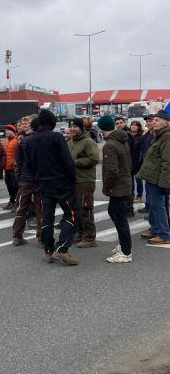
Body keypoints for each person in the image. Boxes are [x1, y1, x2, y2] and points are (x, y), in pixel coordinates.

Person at [26, 109, 79, 265]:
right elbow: (67, 161)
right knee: (73, 214)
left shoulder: (30, 141)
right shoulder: (56, 137)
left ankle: (48, 250)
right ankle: (62, 249)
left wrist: (37, 180)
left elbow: (29, 166)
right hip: (61, 183)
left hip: (42, 185)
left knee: (47, 217)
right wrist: (72, 179)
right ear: (51, 123)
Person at [97, 115, 133, 262]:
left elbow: (111, 170)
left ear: (101, 128)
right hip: (124, 181)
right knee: (113, 212)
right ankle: (124, 245)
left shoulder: (110, 145)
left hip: (117, 185)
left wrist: (109, 186)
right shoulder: (122, 139)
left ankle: (126, 252)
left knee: (120, 218)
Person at [137, 110, 170, 245]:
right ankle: (155, 229)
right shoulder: (158, 135)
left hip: (158, 179)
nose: (154, 122)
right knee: (154, 206)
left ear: (166, 122)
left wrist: (164, 183)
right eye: (153, 120)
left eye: (157, 120)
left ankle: (164, 234)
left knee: (159, 206)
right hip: (152, 177)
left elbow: (167, 163)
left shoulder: (166, 138)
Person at [67, 117, 99, 248]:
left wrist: (76, 162)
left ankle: (90, 237)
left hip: (85, 180)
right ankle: (80, 233)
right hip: (73, 180)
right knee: (76, 209)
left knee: (85, 208)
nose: (72, 129)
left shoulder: (88, 142)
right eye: (71, 126)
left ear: (81, 128)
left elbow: (94, 159)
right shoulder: (70, 142)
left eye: (75, 126)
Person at [12, 117, 42, 246]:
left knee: (21, 208)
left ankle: (17, 236)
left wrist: (18, 177)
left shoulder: (22, 141)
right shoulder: (40, 140)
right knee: (40, 209)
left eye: (27, 123)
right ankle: (41, 238)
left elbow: (17, 161)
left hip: (25, 179)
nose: (25, 125)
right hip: (38, 179)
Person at [115, 115, 135, 217]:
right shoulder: (119, 134)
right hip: (122, 164)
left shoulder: (127, 134)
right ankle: (125, 207)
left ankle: (129, 209)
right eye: (117, 123)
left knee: (128, 187)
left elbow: (129, 151)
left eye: (121, 123)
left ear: (125, 123)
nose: (119, 125)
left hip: (128, 164)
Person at [138, 115, 155, 214]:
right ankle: (148, 206)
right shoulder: (147, 135)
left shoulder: (155, 135)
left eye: (150, 121)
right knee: (148, 188)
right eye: (147, 121)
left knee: (152, 190)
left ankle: (151, 208)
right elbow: (143, 150)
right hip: (145, 164)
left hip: (152, 165)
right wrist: (141, 161)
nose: (148, 123)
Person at [3, 124, 19, 211]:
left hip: (13, 168)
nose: (6, 131)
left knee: (15, 186)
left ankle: (16, 203)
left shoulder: (15, 141)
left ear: (13, 132)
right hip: (7, 168)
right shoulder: (8, 141)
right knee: (9, 186)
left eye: (9, 130)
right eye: (6, 130)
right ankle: (12, 201)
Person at [130, 120, 144, 204]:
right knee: (130, 181)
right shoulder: (128, 136)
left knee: (138, 180)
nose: (133, 126)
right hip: (130, 162)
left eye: (135, 125)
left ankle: (139, 196)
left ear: (138, 127)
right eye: (132, 125)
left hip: (138, 163)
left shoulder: (141, 137)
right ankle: (131, 195)